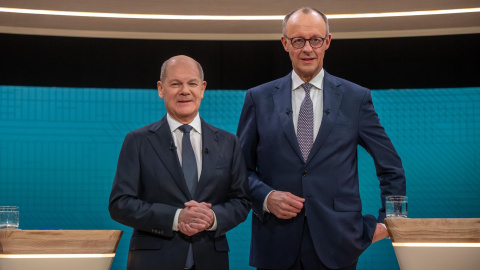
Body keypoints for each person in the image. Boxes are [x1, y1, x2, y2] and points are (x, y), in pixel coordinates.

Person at [237, 7, 406, 270]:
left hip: (340, 244)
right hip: (275, 244)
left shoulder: (355, 98)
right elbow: (239, 170)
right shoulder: (258, 98)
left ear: (327, 42)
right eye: (298, 40)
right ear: (285, 43)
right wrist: (267, 197)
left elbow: (391, 166)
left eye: (315, 40)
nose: (307, 48)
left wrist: (392, 223)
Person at [109, 55, 251, 270]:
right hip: (153, 262)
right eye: (175, 84)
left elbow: (241, 201)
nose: (185, 90)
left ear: (202, 88)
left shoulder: (228, 142)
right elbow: (120, 204)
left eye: (192, 83)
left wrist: (212, 218)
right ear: (160, 88)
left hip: (210, 260)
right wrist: (176, 217)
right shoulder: (138, 141)